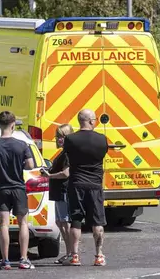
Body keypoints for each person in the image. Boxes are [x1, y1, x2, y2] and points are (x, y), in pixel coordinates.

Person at [0, 111, 36, 270]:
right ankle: (23, 258)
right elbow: (31, 165)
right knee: (23, 223)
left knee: (4, 225)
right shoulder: (22, 145)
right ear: (13, 125)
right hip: (18, 188)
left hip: (2, 188)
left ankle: (5, 260)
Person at [62, 109, 109, 267]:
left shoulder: (70, 139)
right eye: (94, 119)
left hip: (76, 184)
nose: (95, 122)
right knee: (97, 221)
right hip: (95, 185)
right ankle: (99, 255)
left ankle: (74, 256)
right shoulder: (102, 140)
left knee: (76, 220)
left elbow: (67, 156)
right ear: (90, 121)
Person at [45, 124, 74, 265]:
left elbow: (66, 173)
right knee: (60, 222)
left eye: (61, 136)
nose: (58, 139)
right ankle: (68, 253)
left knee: (65, 222)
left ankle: (72, 254)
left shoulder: (68, 153)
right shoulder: (63, 152)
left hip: (64, 190)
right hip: (58, 191)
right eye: (58, 136)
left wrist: (49, 175)